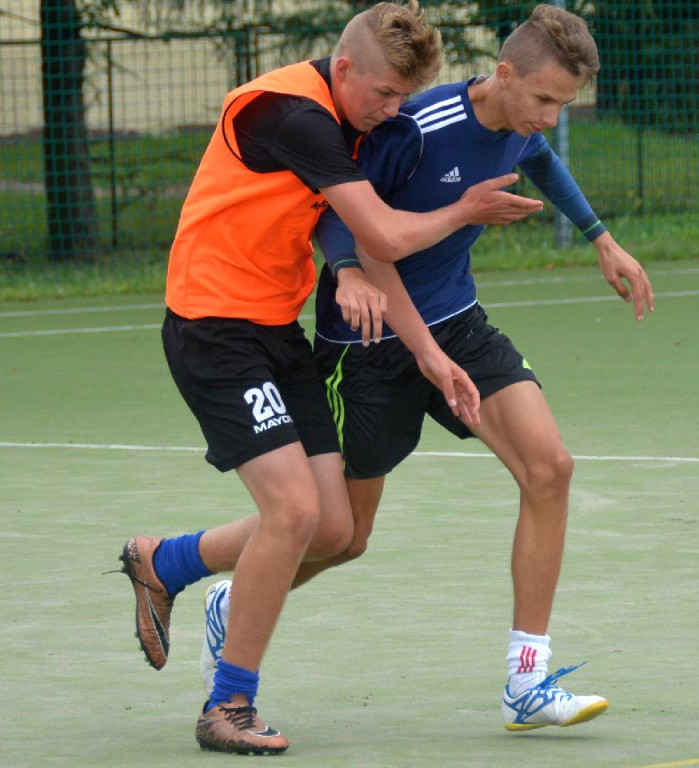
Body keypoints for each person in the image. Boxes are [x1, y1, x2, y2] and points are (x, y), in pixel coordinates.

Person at [200, 3, 654, 732]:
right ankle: (234, 593)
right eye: (542, 99)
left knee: (550, 469)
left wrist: (602, 238)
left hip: (459, 325)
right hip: (368, 344)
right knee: (338, 537)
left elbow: (538, 159)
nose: (549, 116)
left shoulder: (523, 127)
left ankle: (526, 683)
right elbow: (336, 205)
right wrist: (346, 269)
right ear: (503, 74)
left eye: (563, 106)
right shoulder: (419, 125)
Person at [117, 0, 542, 755]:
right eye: (382, 94)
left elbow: (334, 224)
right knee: (290, 513)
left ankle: (166, 559)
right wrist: (464, 209)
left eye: (403, 99)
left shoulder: (356, 122)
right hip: (214, 331)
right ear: (344, 68)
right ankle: (228, 707)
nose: (392, 111)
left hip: (277, 330)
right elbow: (380, 228)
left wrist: (402, 325)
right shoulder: (291, 113)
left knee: (338, 530)